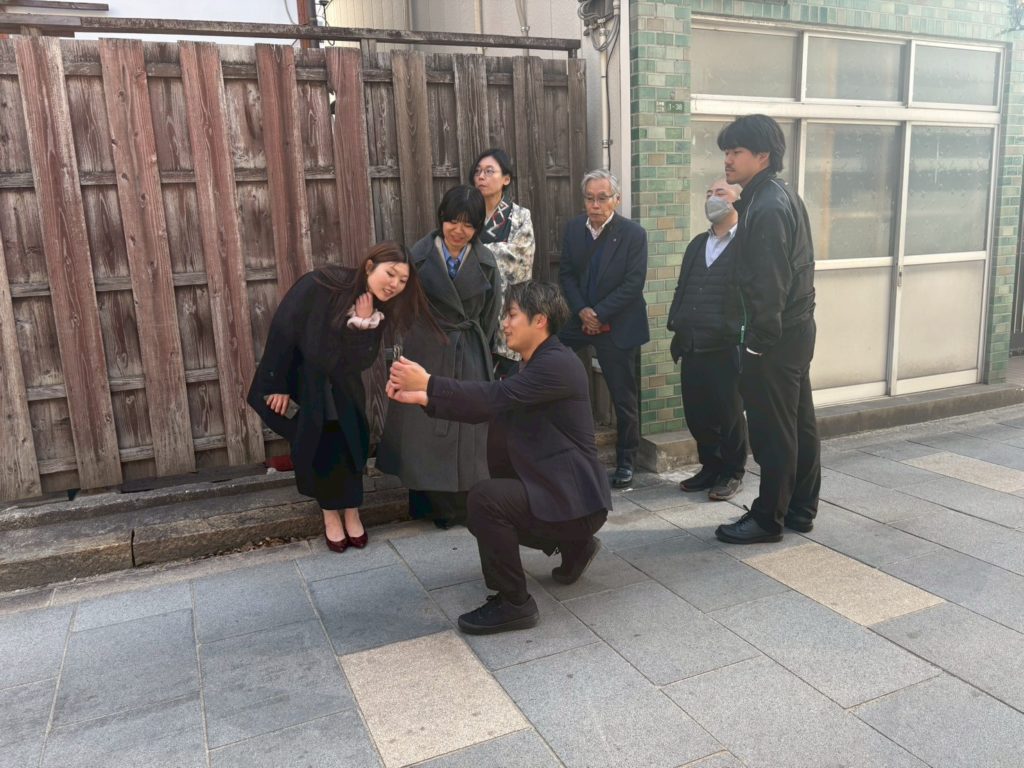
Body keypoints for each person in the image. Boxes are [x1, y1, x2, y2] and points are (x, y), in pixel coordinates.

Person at [386, 281, 610, 634]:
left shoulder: (556, 364)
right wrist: (424, 398)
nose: (504, 323)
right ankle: (575, 547)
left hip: (576, 500)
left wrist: (429, 383)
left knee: (485, 501)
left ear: (540, 320)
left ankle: (515, 603)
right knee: (483, 507)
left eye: (511, 315)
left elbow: (493, 397)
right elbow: (486, 407)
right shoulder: (531, 364)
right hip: (563, 494)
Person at [246, 242, 435, 553]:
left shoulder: (377, 308)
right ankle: (330, 515)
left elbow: (362, 362)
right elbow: (283, 329)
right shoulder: (322, 283)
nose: (395, 285)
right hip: (306, 382)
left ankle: (352, 511)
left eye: (403, 281)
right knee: (320, 444)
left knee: (350, 443)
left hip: (344, 388)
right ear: (369, 266)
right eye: (390, 274)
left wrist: (363, 323)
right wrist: (276, 384)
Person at [713, 114, 821, 545]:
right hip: (793, 330)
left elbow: (770, 283)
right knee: (799, 424)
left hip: (774, 337)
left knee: (773, 430)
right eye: (726, 151)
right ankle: (799, 509)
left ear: (763, 156)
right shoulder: (774, 195)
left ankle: (767, 518)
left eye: (736, 151)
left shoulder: (768, 205)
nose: (728, 159)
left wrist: (756, 344)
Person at [376, 185, 502, 529]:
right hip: (426, 348)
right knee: (424, 428)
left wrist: (477, 347)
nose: (459, 231)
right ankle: (432, 506)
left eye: (469, 224)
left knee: (467, 427)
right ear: (441, 218)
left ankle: (466, 505)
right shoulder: (416, 258)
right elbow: (400, 305)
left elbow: (490, 315)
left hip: (468, 347)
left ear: (478, 226)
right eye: (452, 221)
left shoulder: (487, 263)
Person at [558, 169, 649, 489]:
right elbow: (567, 274)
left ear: (616, 200)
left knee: (623, 397)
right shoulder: (574, 229)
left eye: (602, 198)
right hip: (581, 317)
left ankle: (627, 461)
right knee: (548, 354)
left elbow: (633, 283)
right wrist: (583, 311)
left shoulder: (633, 234)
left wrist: (599, 313)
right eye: (589, 198)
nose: (595, 205)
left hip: (619, 322)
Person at [668, 178, 748, 502]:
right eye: (708, 193)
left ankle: (732, 472)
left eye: (720, 193)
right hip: (692, 342)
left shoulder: (746, 243)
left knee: (729, 414)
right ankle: (710, 467)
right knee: (697, 414)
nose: (712, 198)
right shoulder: (698, 243)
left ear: (737, 201)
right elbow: (683, 286)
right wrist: (677, 321)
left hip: (725, 345)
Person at [470, 148, 536, 378]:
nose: (481, 176)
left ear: (506, 179)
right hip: (474, 308)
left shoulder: (520, 216)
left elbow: (519, 259)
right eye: (478, 171)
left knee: (507, 380)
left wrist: (475, 253)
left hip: (507, 307)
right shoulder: (468, 215)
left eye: (489, 171)